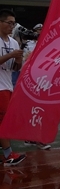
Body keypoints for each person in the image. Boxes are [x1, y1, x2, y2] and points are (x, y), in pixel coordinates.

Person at [0, 10, 25, 166]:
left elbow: (16, 69)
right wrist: (10, 55)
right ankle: (8, 154)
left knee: (5, 120)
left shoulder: (14, 43)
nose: (11, 26)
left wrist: (18, 59)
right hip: (0, 87)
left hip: (8, 85)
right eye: (9, 23)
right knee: (3, 121)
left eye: (13, 23)